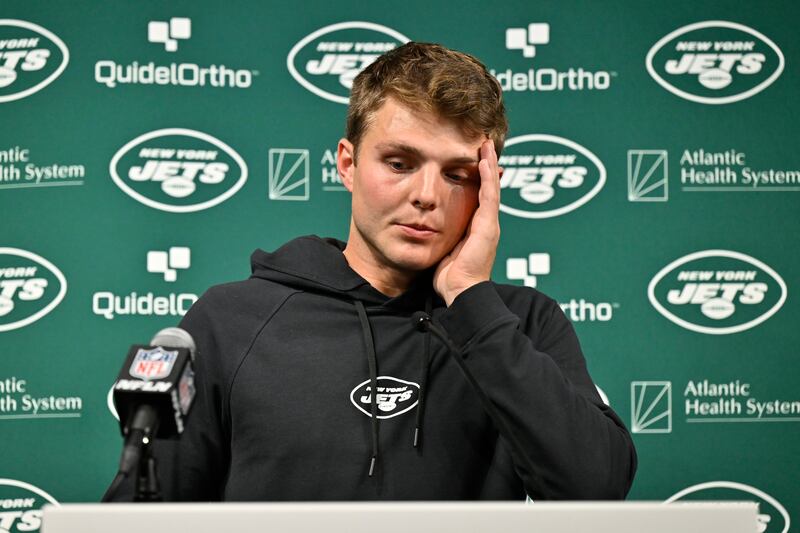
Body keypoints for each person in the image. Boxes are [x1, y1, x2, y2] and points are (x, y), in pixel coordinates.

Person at [166, 42, 636, 500]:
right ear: (348, 164)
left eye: (457, 175)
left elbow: (596, 490)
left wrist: (471, 298)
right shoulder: (231, 320)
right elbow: (144, 512)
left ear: (489, 187)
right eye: (399, 163)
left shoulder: (523, 324)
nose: (427, 195)